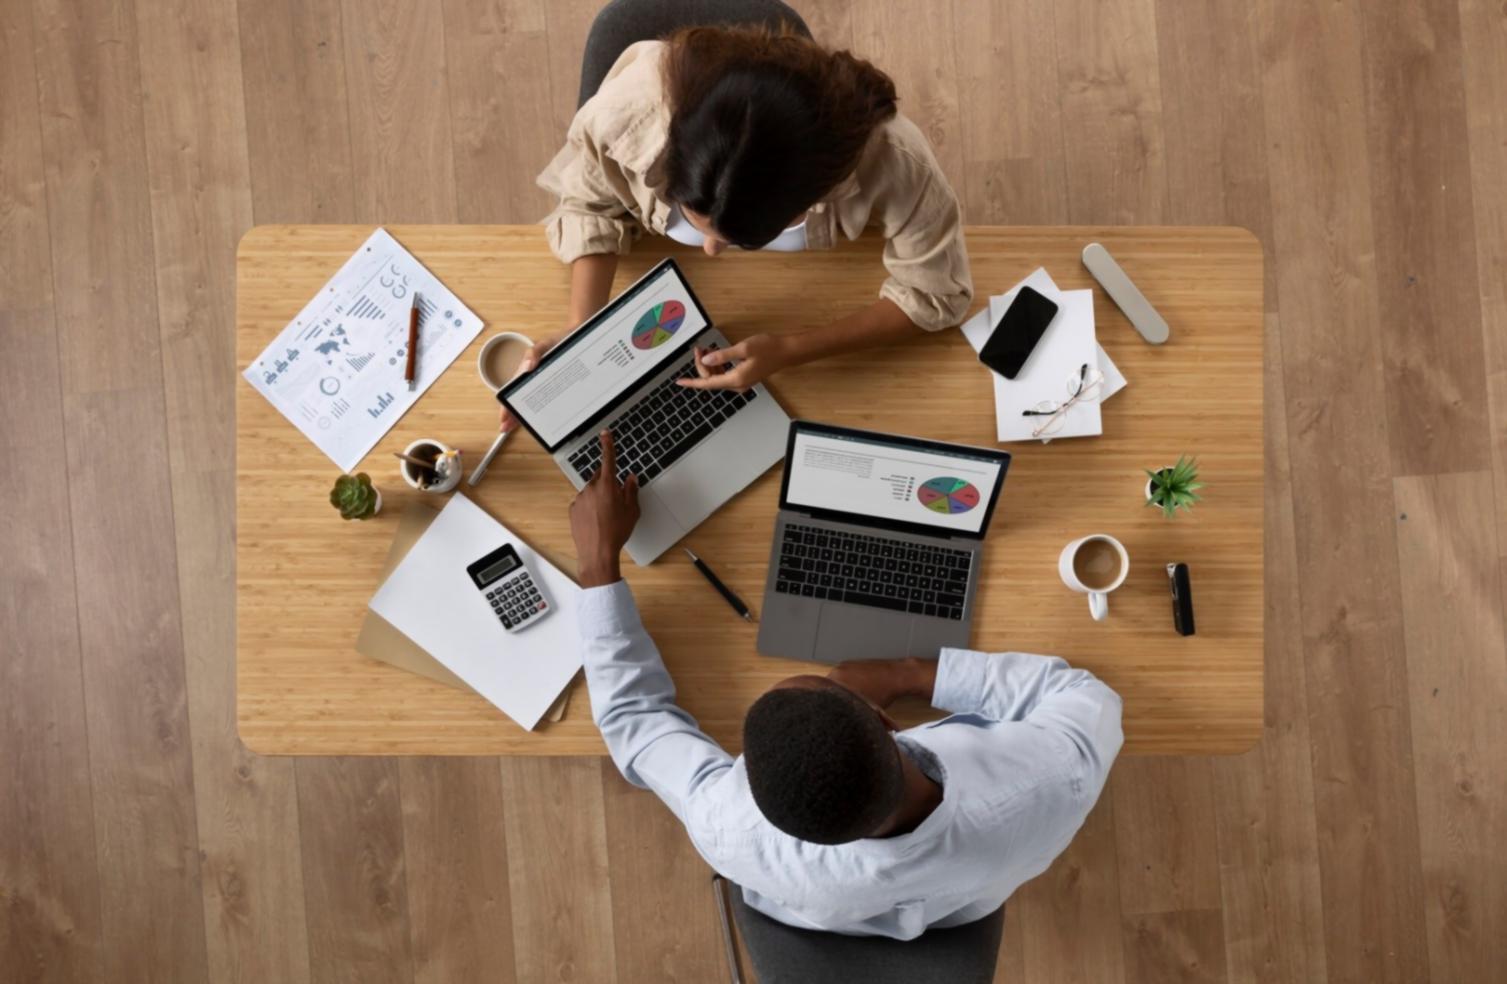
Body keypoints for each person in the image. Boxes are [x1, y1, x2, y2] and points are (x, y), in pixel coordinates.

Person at [569, 431, 1124, 939]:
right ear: (887, 719)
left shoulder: (731, 829)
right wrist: (907, 673)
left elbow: (634, 721)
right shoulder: (1046, 784)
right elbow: (1088, 698)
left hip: (831, 904)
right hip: (970, 886)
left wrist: (597, 565)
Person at [498, 11, 973, 433]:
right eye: (696, 221)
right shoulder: (626, 112)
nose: (707, 251)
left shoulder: (893, 158)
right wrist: (584, 335)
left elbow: (936, 294)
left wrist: (791, 349)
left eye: (739, 239)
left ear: (817, 194)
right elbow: (588, 204)